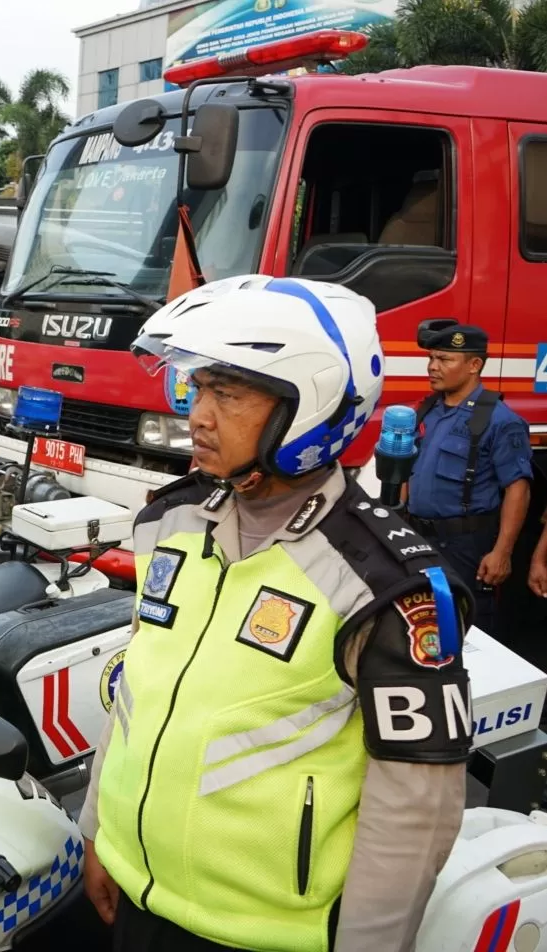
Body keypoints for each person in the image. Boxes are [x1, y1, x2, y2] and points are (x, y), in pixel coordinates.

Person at [79, 275, 472, 952]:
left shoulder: (387, 583)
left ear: (308, 407)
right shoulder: (166, 523)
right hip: (136, 896)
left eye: (225, 393)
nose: (196, 414)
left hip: (265, 935)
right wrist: (97, 832)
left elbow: (414, 811)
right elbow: (134, 690)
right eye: (197, 388)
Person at [404, 320, 532, 635]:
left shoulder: (500, 420)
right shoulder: (428, 410)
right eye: (431, 359)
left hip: (465, 546)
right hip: (420, 538)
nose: (432, 367)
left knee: (467, 629)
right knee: (423, 625)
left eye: (444, 359)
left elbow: (518, 489)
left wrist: (501, 552)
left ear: (474, 365)